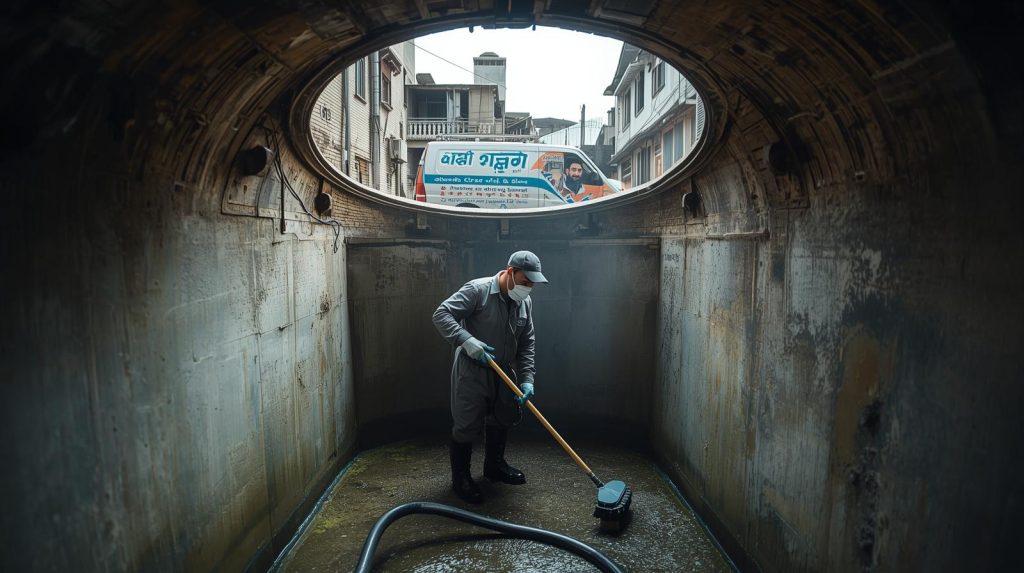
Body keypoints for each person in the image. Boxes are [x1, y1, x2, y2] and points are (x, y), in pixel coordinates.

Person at [432, 250, 548, 503]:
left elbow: (527, 342)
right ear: (510, 272)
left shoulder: (524, 302)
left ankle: (494, 466)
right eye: (525, 282)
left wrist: (527, 378)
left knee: (501, 418)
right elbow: (442, 314)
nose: (528, 289)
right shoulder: (478, 290)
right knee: (466, 425)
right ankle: (461, 479)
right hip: (473, 370)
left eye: (532, 285)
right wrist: (466, 340)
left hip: (504, 371)